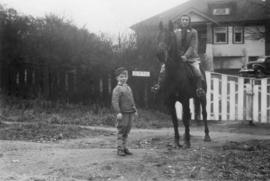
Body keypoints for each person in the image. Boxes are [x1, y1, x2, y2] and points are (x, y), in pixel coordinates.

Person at [152, 14, 205, 96]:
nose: (184, 21)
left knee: (197, 70)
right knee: (163, 68)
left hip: (191, 57)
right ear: (181, 21)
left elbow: (192, 46)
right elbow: (173, 44)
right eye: (183, 19)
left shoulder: (194, 32)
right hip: (178, 57)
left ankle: (199, 88)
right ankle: (158, 85)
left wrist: (186, 56)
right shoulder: (176, 31)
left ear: (189, 21)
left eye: (186, 20)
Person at [112, 67, 138, 156]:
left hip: (130, 112)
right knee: (121, 130)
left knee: (127, 131)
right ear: (117, 78)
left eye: (125, 76)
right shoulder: (117, 89)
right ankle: (120, 149)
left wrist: (135, 110)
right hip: (123, 113)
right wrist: (118, 112)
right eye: (121, 76)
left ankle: (124, 147)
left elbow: (132, 100)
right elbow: (115, 102)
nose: (124, 78)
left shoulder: (128, 87)